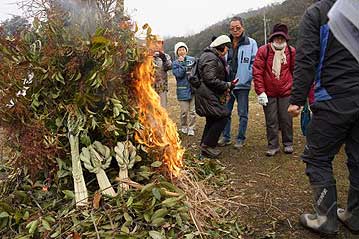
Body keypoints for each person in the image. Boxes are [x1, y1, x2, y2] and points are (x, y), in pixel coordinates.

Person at [288, 0, 359, 235]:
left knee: (317, 157)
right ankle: (355, 216)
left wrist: (297, 99)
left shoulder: (318, 12)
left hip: (333, 97)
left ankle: (325, 219)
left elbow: (306, 58)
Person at [253, 23, 296, 156]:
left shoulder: (291, 51)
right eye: (276, 36)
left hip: (286, 91)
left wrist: (296, 90)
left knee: (286, 119)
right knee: (271, 120)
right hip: (269, 93)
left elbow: (295, 71)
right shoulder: (263, 50)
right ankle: (273, 145)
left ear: (286, 38)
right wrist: (260, 91)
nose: (279, 39)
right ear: (272, 37)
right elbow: (257, 72)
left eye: (281, 37)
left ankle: (288, 143)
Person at [217, 16, 258, 149]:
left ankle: (240, 138)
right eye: (232, 28)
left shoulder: (250, 43)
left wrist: (247, 76)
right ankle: (226, 137)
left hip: (242, 85)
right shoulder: (226, 43)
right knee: (225, 112)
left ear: (243, 27)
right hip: (227, 84)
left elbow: (255, 62)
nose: (235, 30)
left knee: (242, 113)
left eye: (238, 28)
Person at [195, 35, 238, 158]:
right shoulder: (211, 57)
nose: (227, 51)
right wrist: (228, 85)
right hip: (207, 94)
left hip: (207, 93)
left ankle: (204, 145)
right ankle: (207, 146)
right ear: (222, 47)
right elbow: (210, 79)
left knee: (212, 119)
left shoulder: (210, 55)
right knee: (223, 116)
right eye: (227, 48)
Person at [172, 42, 196, 136]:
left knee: (193, 112)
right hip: (182, 90)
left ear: (186, 50)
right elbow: (179, 74)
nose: (182, 51)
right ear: (177, 52)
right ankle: (184, 126)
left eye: (183, 49)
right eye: (179, 50)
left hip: (192, 89)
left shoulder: (192, 60)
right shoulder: (175, 63)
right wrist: (182, 63)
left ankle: (191, 127)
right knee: (184, 112)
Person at [149, 36, 172, 108]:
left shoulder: (166, 56)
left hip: (162, 87)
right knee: (151, 108)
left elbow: (169, 67)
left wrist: (164, 59)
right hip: (150, 87)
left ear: (162, 44)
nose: (157, 44)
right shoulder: (148, 56)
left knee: (162, 108)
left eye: (159, 43)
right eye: (155, 42)